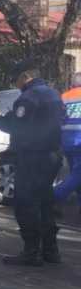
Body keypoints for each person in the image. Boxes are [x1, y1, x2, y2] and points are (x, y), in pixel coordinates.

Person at [0, 66, 64, 266]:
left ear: (25, 76)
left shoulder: (28, 97)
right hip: (52, 155)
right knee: (45, 203)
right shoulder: (54, 95)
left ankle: (31, 252)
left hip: (32, 156)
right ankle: (51, 251)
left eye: (16, 79)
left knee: (26, 203)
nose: (15, 84)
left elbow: (17, 124)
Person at [54, 72, 81, 204]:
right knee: (77, 176)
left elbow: (58, 119)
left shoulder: (64, 97)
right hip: (79, 141)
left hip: (66, 142)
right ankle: (54, 196)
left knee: (76, 174)